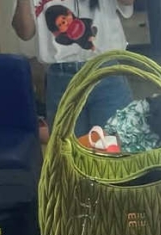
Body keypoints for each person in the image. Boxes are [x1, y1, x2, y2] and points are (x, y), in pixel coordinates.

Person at [12, 0, 134, 136]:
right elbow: (24, 33)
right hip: (61, 77)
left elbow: (127, 2)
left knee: (115, 143)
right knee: (66, 146)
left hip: (105, 71)